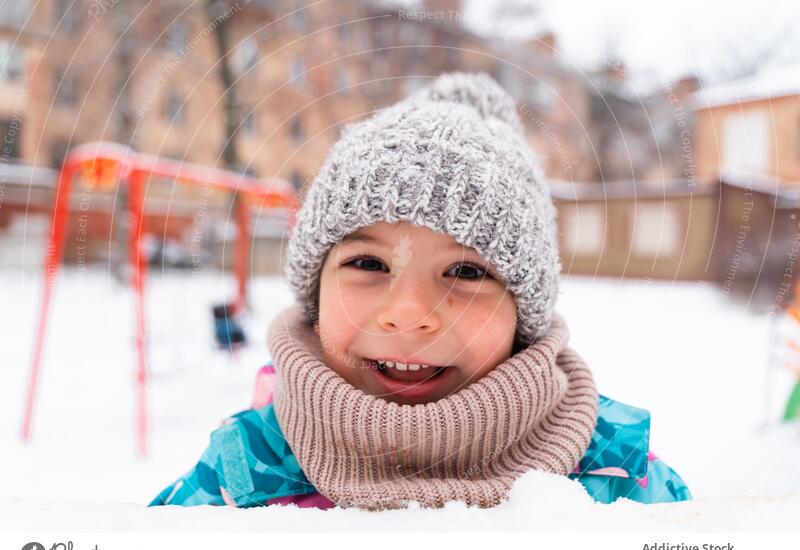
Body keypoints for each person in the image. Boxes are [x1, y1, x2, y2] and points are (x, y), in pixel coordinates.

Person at [149, 72, 692, 511]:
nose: (408, 315)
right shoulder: (241, 476)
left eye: (466, 272)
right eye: (367, 263)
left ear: (523, 318)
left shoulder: (619, 479)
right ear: (315, 296)